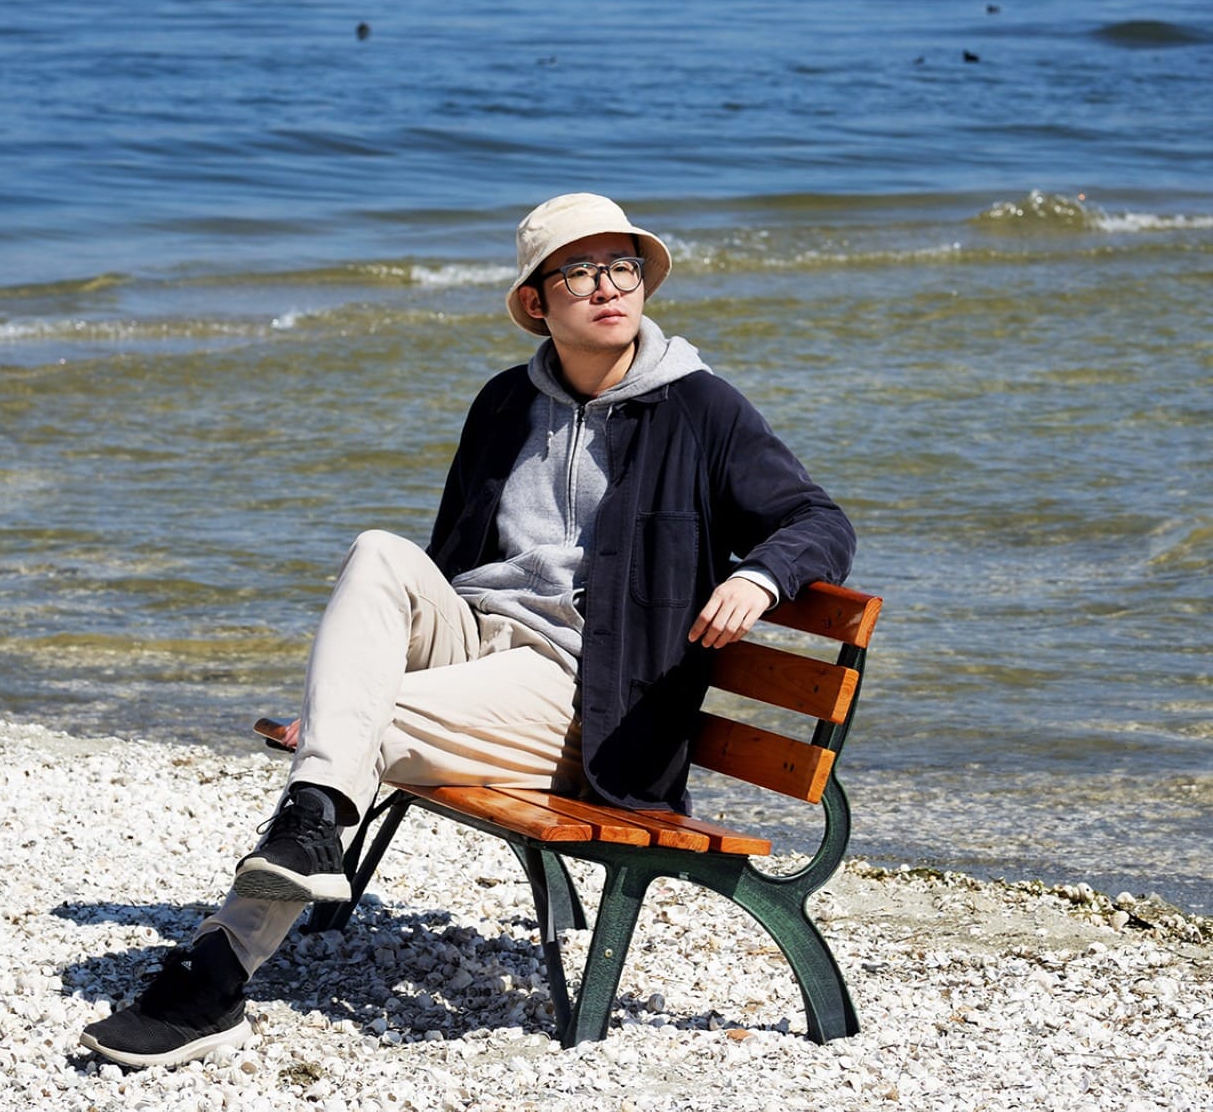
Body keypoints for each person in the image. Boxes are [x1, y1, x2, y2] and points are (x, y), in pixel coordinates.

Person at [80, 193, 855, 1068]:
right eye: (581, 271)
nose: (608, 287)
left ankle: (212, 978)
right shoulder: (504, 405)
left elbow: (819, 521)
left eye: (623, 266)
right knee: (377, 551)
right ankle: (315, 809)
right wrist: (352, 701)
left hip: (581, 693)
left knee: (372, 729)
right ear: (538, 302)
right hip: (480, 646)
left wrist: (759, 576)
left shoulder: (702, 410)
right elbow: (450, 560)